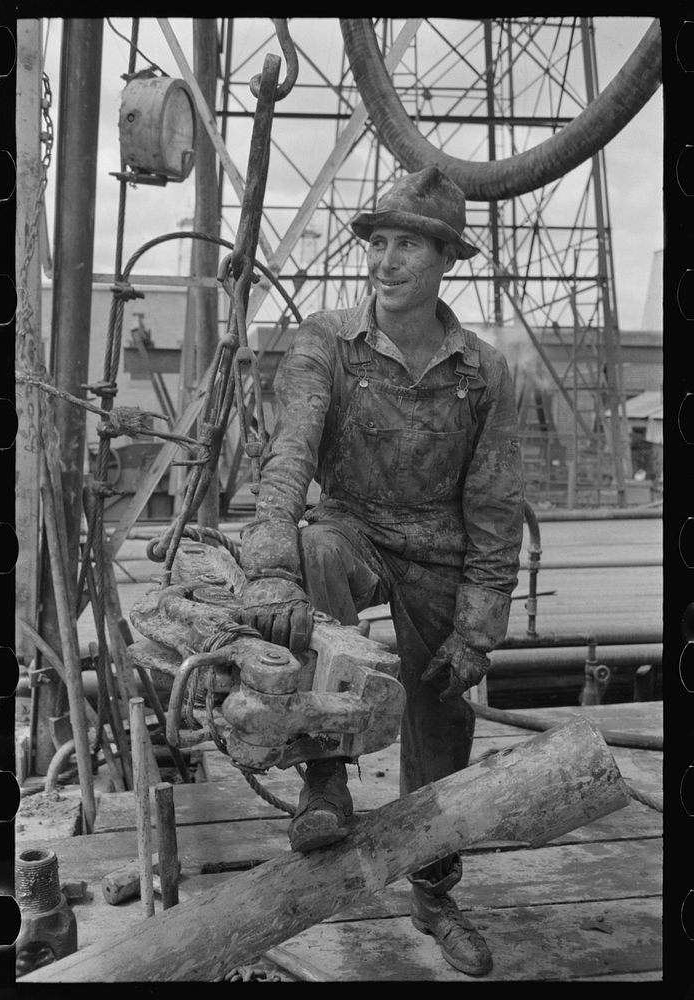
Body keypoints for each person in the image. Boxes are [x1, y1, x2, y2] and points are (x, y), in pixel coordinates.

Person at [237, 165, 525, 976]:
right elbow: (286, 457)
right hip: (352, 532)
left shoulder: (482, 374)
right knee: (317, 552)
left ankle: (433, 894)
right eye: (379, 243)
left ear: (444, 260)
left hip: (440, 555)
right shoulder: (325, 343)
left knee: (441, 725)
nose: (386, 261)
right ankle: (324, 782)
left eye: (408, 246)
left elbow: (495, 509)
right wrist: (270, 571)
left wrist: (477, 629)